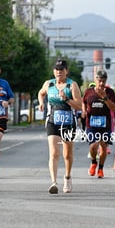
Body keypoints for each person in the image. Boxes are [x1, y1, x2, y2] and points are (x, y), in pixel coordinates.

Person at [37, 59, 82, 194]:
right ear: (53, 71)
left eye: (61, 70)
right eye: (56, 69)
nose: (58, 72)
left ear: (66, 71)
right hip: (52, 121)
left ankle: (67, 177)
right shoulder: (48, 84)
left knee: (67, 154)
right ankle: (53, 182)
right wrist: (41, 103)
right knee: (54, 153)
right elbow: (41, 93)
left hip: (68, 122)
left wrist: (66, 100)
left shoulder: (72, 85)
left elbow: (79, 105)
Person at [82, 70, 115, 179]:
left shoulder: (110, 92)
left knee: (103, 146)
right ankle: (93, 162)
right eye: (99, 81)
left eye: (104, 81)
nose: (101, 83)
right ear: (95, 80)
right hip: (91, 123)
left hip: (105, 124)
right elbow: (84, 102)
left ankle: (100, 168)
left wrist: (105, 97)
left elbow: (113, 108)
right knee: (93, 145)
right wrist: (84, 111)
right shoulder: (88, 92)